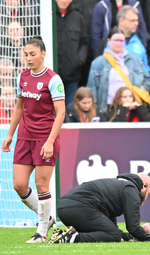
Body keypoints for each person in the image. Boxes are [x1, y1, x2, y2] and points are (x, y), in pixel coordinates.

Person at [1, 36, 66, 243]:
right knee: (19, 185)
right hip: (23, 138)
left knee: (41, 185)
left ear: (43, 54)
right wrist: (10, 134)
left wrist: (49, 141)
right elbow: (19, 107)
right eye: (25, 55)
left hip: (44, 139)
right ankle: (47, 218)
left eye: (32, 54)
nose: (28, 58)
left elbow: (61, 113)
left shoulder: (53, 79)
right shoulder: (23, 77)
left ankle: (41, 232)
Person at [48, 173, 150, 243]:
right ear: (144, 185)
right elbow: (133, 227)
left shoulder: (120, 185)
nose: (146, 199)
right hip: (78, 207)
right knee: (113, 236)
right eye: (148, 193)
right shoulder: (132, 190)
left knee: (111, 233)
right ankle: (72, 237)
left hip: (64, 208)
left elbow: (110, 227)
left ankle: (64, 235)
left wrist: (128, 237)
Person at [87, 28, 150, 114]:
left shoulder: (135, 61)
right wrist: (94, 108)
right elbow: (91, 87)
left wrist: (138, 91)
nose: (119, 43)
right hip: (107, 108)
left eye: (122, 40)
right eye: (116, 40)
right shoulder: (98, 62)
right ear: (108, 41)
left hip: (131, 107)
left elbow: (147, 80)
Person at [56, 0, 89, 106]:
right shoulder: (48, 16)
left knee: (70, 109)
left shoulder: (78, 18)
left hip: (72, 74)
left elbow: (85, 42)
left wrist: (79, 60)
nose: (64, 1)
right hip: (51, 74)